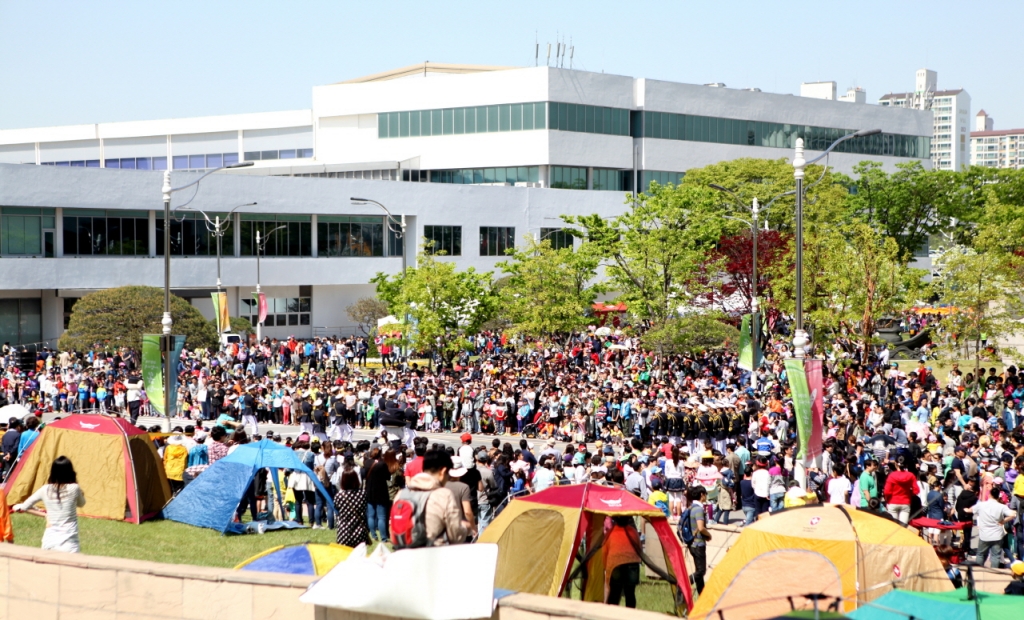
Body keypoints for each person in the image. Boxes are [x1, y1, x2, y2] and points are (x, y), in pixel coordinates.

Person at [12, 456, 86, 552]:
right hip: (69, 544)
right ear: (70, 471)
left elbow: (25, 506)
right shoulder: (74, 488)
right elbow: (81, 504)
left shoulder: (45, 489)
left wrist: (46, 515)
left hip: (49, 541)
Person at [399, 449, 470, 545]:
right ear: (443, 471)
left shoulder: (402, 494)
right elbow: (455, 535)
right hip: (432, 553)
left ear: (422, 470)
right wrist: (466, 528)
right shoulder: (444, 495)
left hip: (404, 552)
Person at [967, 488, 1015, 568]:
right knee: (995, 556)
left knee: (980, 554)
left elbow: (970, 510)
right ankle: (994, 572)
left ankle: (978, 570)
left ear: (989, 495)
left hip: (984, 535)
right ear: (998, 496)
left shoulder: (981, 505)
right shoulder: (1001, 506)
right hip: (997, 535)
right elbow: (1013, 514)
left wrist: (965, 509)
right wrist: (1003, 521)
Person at [334, 467, 370, 547]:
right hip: (360, 533)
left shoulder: (339, 496)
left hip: (344, 532)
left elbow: (336, 509)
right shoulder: (363, 494)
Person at [686, 485, 712, 594]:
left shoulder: (690, 507)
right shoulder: (698, 509)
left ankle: (702, 595)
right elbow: (701, 527)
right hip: (698, 544)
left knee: (698, 571)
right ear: (702, 495)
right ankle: (685, 583)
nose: (706, 497)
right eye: (705, 494)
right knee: (701, 571)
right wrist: (709, 535)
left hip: (692, 544)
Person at [882, 457, 919, 524]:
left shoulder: (892, 475)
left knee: (893, 525)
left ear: (896, 464)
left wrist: (887, 500)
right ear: (906, 465)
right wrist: (909, 494)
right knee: (903, 526)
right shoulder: (911, 475)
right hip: (905, 502)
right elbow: (916, 490)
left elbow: (887, 491)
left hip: (893, 501)